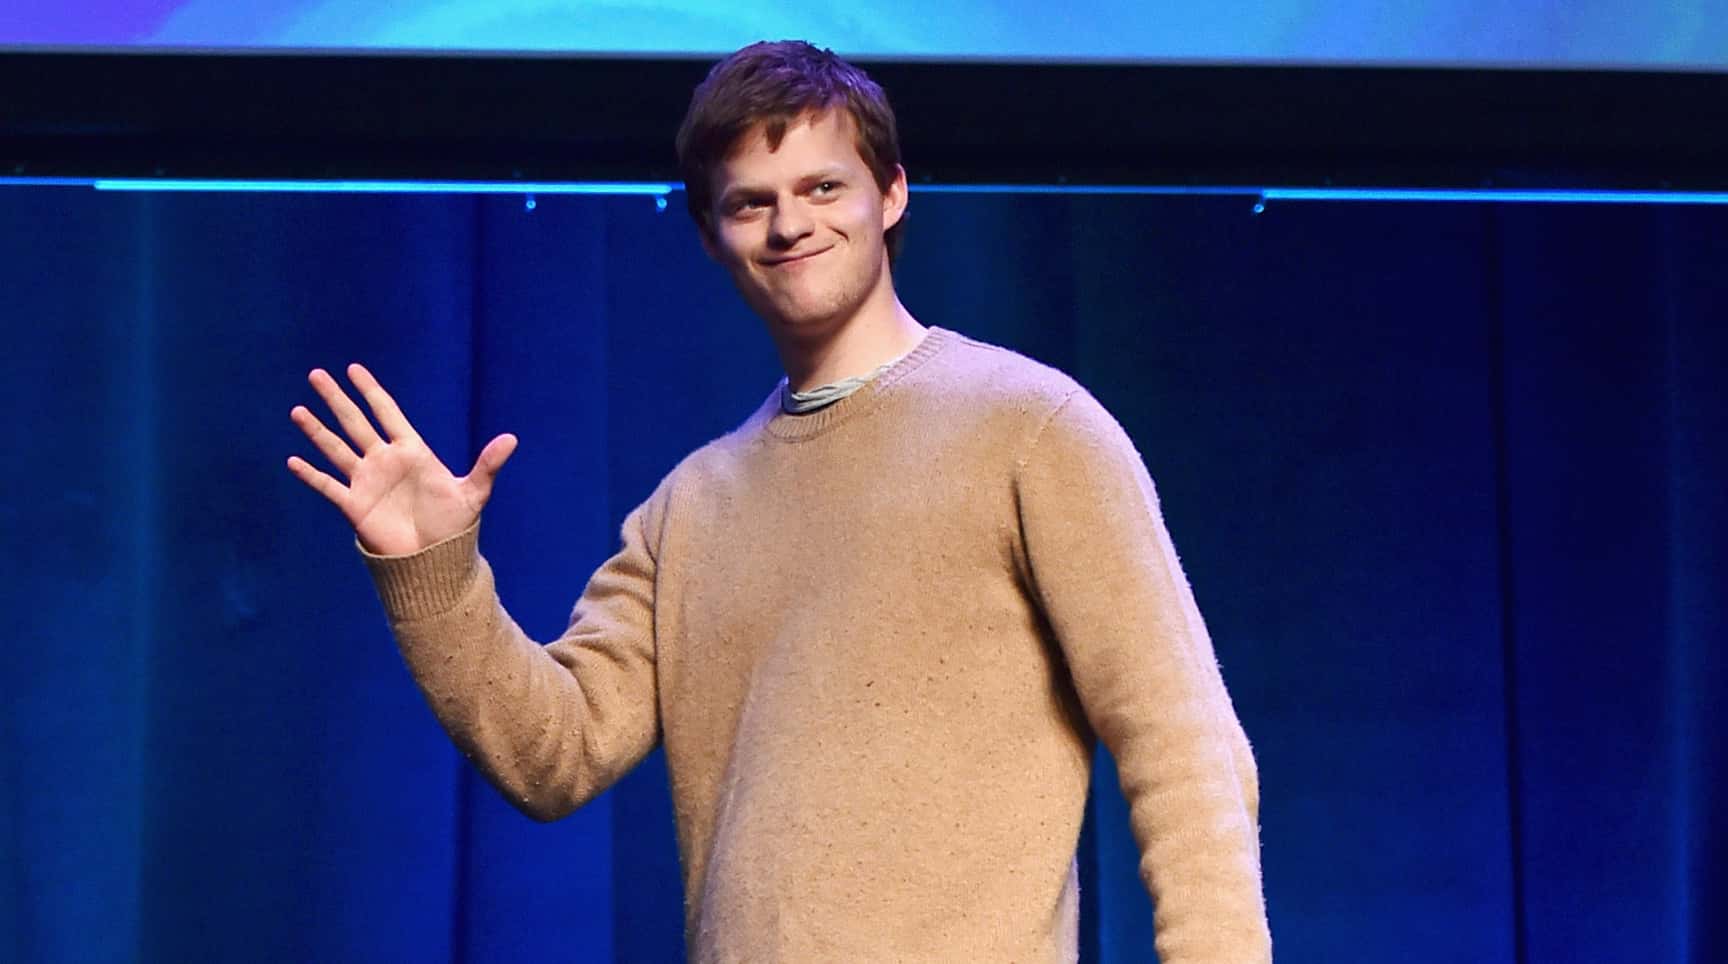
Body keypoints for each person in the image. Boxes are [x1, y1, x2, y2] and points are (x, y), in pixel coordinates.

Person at [286, 40, 1270, 963]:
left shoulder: (1033, 428)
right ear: (712, 236)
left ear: (891, 194)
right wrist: (433, 570)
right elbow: (555, 753)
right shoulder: (693, 505)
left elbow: (1181, 741)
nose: (790, 223)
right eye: (750, 202)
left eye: (822, 187)